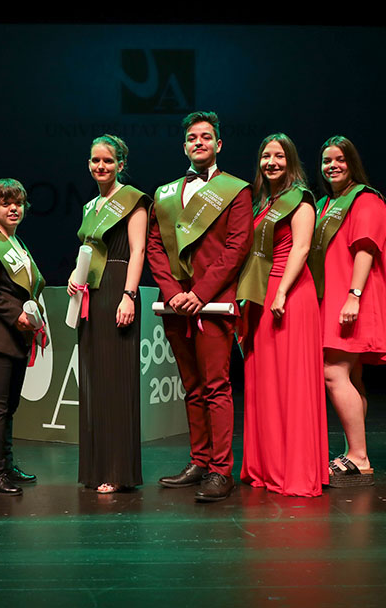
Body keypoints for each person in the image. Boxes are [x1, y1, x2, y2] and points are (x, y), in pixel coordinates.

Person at [146, 111, 253, 502]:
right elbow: (155, 246)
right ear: (185, 145)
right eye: (192, 138)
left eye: (206, 137)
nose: (199, 143)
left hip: (213, 304)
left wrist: (201, 293)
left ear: (218, 144)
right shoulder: (167, 192)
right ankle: (199, 460)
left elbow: (237, 247)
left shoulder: (236, 190)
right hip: (175, 304)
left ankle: (220, 470)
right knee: (191, 387)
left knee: (216, 386)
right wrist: (173, 291)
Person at [236, 133, 328, 497]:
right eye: (265, 156)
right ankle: (266, 465)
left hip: (289, 295)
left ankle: (295, 469)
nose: (271, 162)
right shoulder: (264, 203)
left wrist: (283, 291)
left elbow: (302, 247)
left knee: (290, 384)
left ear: (290, 161)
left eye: (278, 156)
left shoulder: (300, 199)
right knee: (265, 384)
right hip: (263, 295)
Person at [308, 136, 386, 487]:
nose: (333, 166)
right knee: (352, 377)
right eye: (327, 160)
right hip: (332, 298)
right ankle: (352, 453)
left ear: (352, 162)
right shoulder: (327, 202)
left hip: (352, 296)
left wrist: (354, 295)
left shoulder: (366, 199)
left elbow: (366, 250)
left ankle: (360, 457)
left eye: (340, 159)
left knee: (333, 372)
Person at [68, 135, 149, 494]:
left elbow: (138, 250)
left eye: (107, 161)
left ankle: (118, 470)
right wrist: (75, 277)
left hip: (118, 290)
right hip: (90, 296)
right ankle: (97, 467)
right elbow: (86, 253)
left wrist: (129, 295)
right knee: (95, 382)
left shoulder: (133, 201)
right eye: (94, 160)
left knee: (117, 381)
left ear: (120, 164)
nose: (100, 166)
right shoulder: (89, 207)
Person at [0, 179, 45, 496]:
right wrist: (18, 316)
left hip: (15, 340)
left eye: (18, 202)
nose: (13, 208)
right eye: (5, 203)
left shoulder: (18, 244)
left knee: (10, 408)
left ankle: (7, 465)